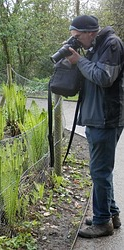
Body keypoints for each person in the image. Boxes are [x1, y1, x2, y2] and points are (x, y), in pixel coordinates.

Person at [66, 15, 124, 238]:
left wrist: (79, 61)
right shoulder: (95, 46)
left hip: (106, 118)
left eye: (78, 37)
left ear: (90, 32)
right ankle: (111, 214)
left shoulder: (112, 44)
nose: (77, 41)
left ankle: (102, 223)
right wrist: (76, 60)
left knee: (99, 171)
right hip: (96, 117)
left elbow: (103, 77)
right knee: (101, 171)